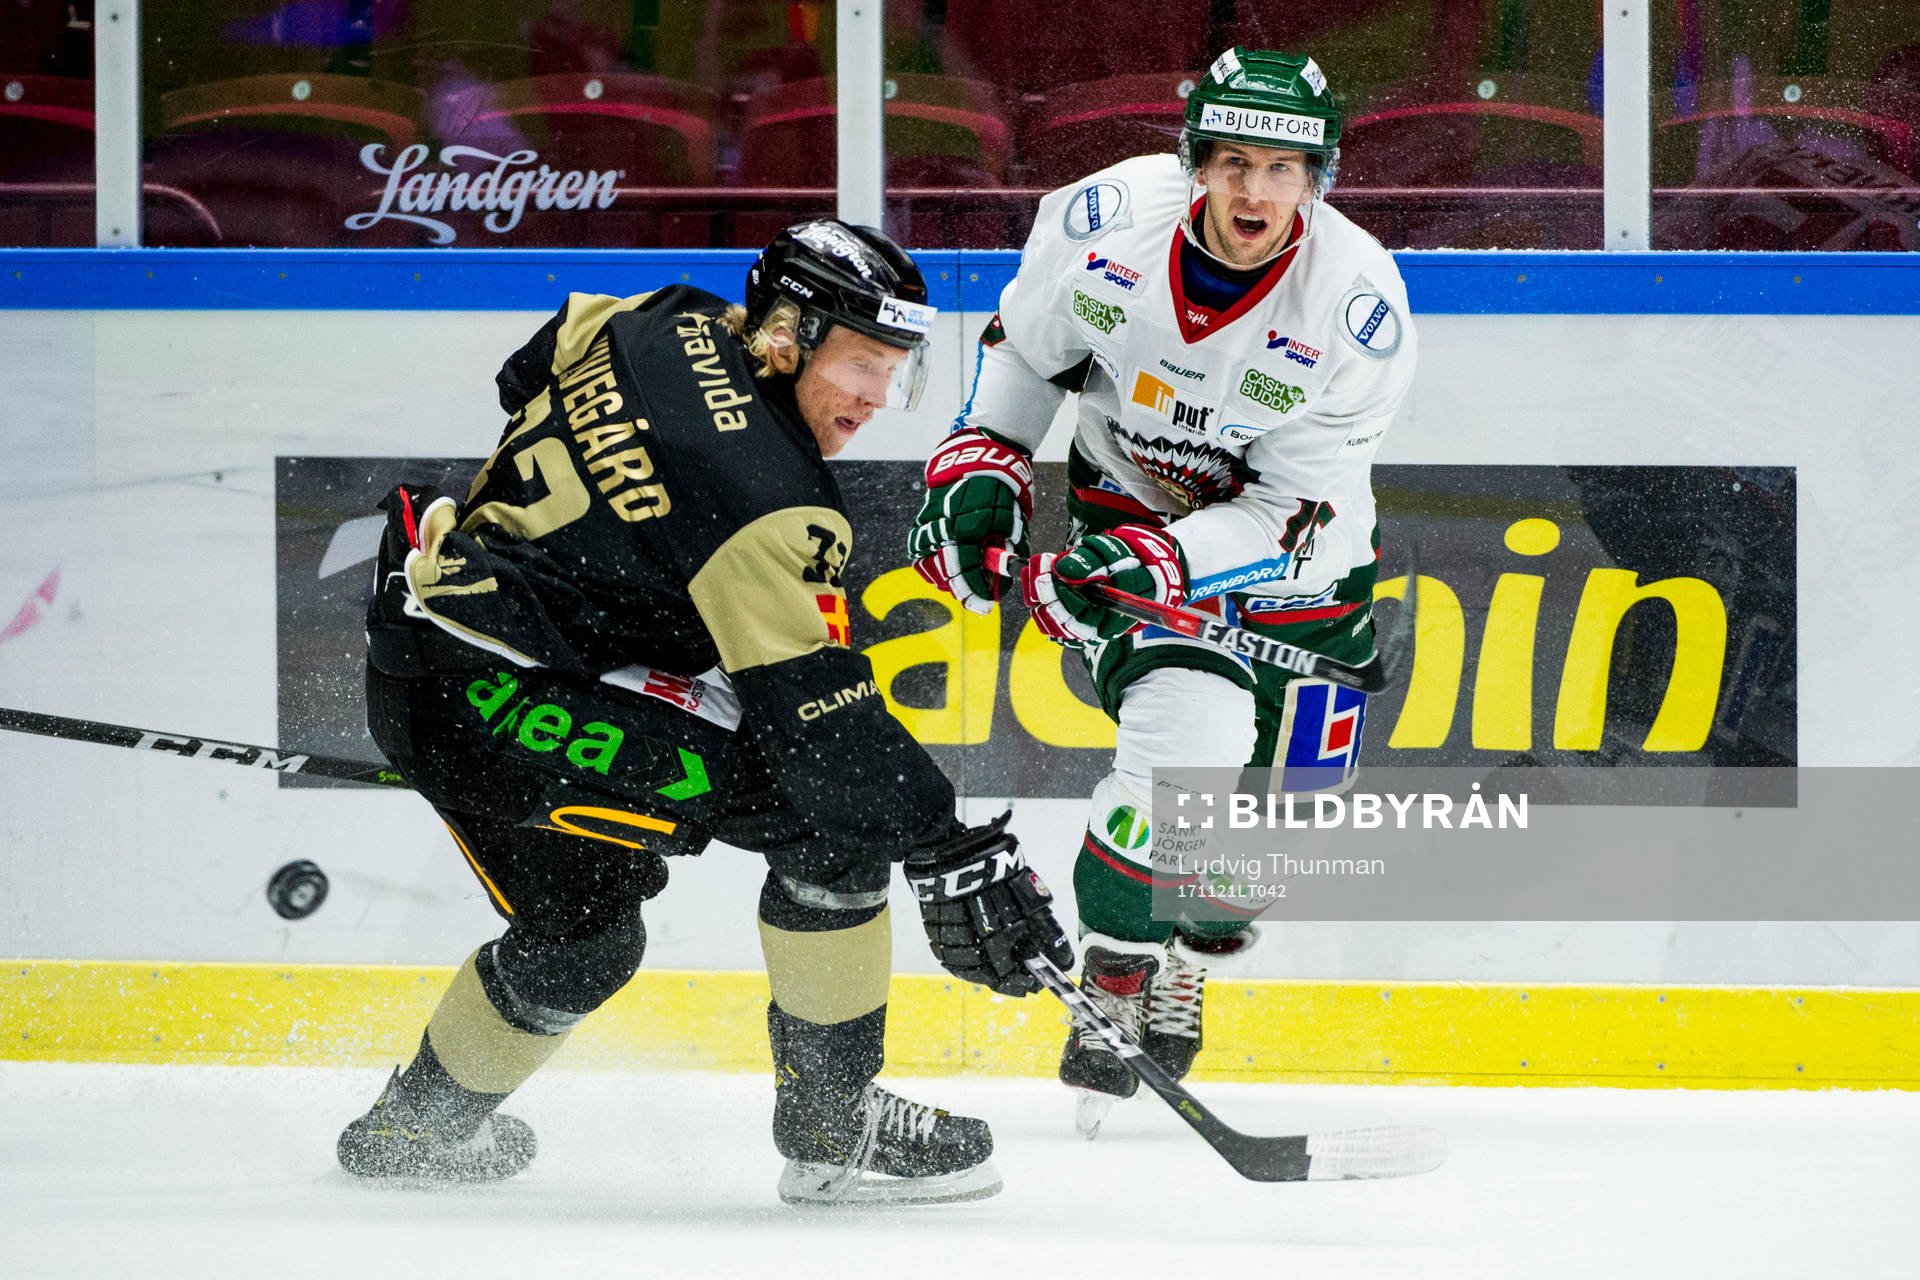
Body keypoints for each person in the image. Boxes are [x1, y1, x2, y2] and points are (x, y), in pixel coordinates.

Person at [337, 219, 1075, 1205]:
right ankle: (832, 1124)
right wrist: (945, 845)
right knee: (827, 823)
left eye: (894, 369)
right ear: (786, 333)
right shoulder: (772, 497)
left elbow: (529, 370)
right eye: (860, 364)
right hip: (510, 701)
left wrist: (611, 551)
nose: (875, 399)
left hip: (426, 661)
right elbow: (815, 716)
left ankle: (411, 1131)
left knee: (583, 937)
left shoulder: (656, 317)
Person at [908, 48, 1416, 1136]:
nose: (1255, 193)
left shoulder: (1359, 304)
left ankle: (1189, 949)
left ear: (1317, 179)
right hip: (1133, 541)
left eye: (1284, 169)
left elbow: (1300, 516)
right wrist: (979, 465)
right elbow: (1027, 358)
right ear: (1193, 162)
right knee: (1184, 758)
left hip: (1302, 581)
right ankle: (1123, 968)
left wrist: (1169, 559)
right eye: (1233, 163)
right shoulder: (1099, 225)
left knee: (1274, 836)